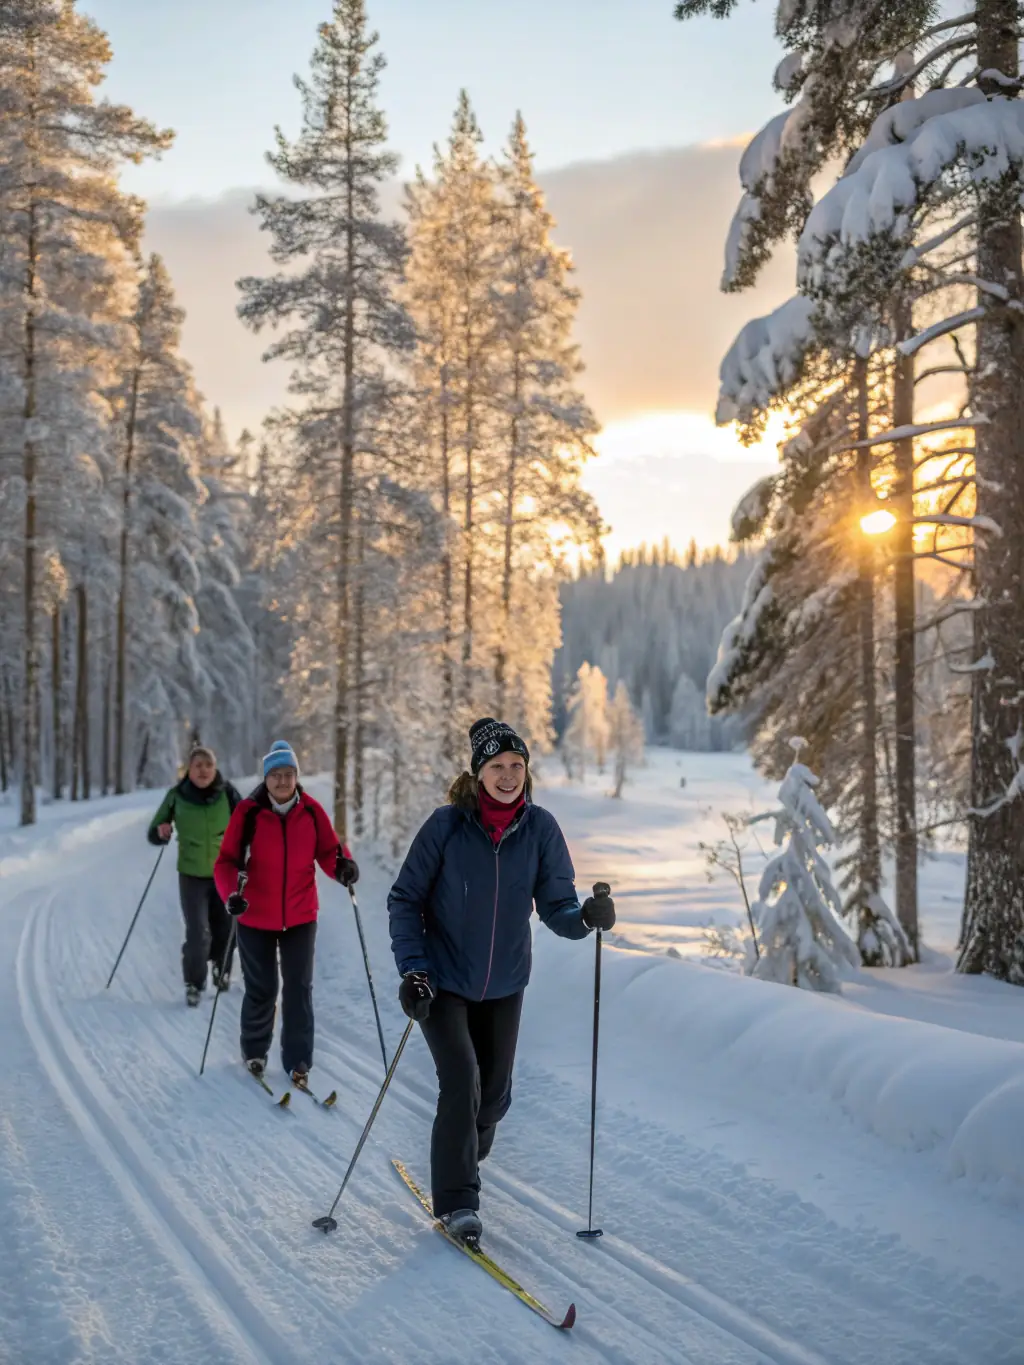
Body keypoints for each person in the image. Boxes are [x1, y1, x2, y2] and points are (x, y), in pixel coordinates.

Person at [388, 717, 616, 1243]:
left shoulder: (541, 830)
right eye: (497, 766)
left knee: (491, 1099)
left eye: (517, 765)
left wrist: (585, 917)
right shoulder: (446, 827)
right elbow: (405, 899)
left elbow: (556, 905)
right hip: (443, 982)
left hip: (505, 983)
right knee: (461, 1081)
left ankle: (465, 1154)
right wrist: (415, 971)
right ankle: (457, 1202)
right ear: (478, 773)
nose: (509, 775)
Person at [214, 740, 359, 1085]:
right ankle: (254, 1051)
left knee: (298, 988)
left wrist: (343, 867)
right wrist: (232, 892)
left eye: (288, 774)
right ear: (266, 778)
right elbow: (226, 862)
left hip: (300, 914)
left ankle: (298, 1061)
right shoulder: (248, 813)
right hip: (254, 915)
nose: (282, 781)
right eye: (275, 775)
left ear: (296, 776)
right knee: (262, 987)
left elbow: (329, 850)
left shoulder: (310, 811)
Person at [148, 744, 243, 1007]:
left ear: (215, 768)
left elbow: (249, 823)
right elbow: (154, 830)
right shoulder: (176, 796)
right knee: (198, 932)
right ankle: (194, 983)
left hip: (224, 872)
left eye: (208, 765)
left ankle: (221, 971)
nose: (203, 770)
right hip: (191, 875)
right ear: (189, 770)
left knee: (226, 929)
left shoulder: (228, 793)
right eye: (198, 765)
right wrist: (161, 831)